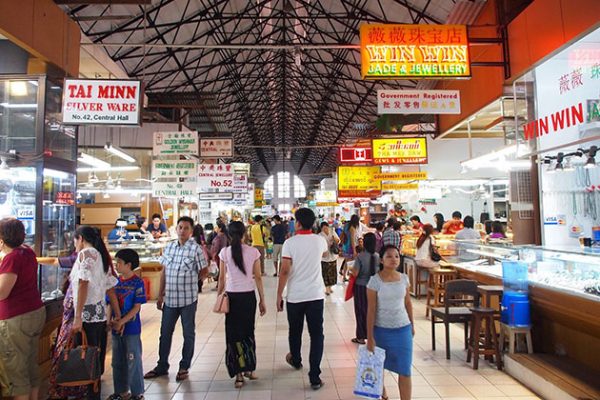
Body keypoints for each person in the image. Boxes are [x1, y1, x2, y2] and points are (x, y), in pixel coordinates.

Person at [48, 226, 120, 400]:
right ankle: (92, 394)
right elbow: (110, 288)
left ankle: (81, 393)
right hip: (98, 316)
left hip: (86, 317)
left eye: (74, 241)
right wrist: (116, 315)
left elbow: (83, 283)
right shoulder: (102, 255)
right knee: (92, 358)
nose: (74, 245)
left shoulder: (86, 254)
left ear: (80, 238)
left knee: (82, 359)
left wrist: (78, 316)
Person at [144, 216, 208, 382]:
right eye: (180, 227)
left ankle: (184, 366)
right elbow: (164, 271)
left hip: (188, 299)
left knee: (188, 334)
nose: (182, 230)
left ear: (191, 231)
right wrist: (160, 294)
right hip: (170, 299)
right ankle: (162, 366)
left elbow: (204, 271)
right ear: (176, 229)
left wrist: (194, 282)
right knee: (165, 333)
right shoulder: (170, 247)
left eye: (186, 228)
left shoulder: (196, 249)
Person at [277, 208, 328, 391]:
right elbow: (322, 254)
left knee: (295, 330)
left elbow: (284, 270)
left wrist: (279, 295)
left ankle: (296, 360)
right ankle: (314, 376)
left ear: (297, 223)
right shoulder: (320, 241)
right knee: (316, 334)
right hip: (315, 295)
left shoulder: (289, 243)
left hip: (295, 296)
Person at [0, 218, 46, 400]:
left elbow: (2, 292)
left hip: (15, 318)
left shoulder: (11, 259)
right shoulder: (27, 251)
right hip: (34, 312)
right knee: (30, 364)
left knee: (15, 370)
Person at [217, 221, 266, 389]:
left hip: (232, 298)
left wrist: (218, 297)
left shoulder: (224, 252)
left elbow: (222, 279)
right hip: (248, 298)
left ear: (229, 235)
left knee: (233, 335)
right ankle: (250, 369)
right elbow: (258, 277)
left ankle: (238, 374)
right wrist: (262, 300)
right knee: (248, 332)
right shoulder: (253, 252)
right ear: (245, 234)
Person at [367, 245, 414, 400]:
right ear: (381, 260)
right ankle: (383, 392)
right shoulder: (374, 281)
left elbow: (408, 303)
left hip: (403, 329)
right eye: (389, 256)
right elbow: (371, 310)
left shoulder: (404, 279)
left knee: (405, 368)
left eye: (396, 256)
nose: (394, 259)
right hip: (381, 331)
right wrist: (370, 336)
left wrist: (412, 324)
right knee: (378, 366)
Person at [106, 249, 146, 400]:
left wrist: (122, 321)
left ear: (129, 265)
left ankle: (137, 393)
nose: (116, 265)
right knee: (117, 361)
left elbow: (137, 307)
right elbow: (110, 302)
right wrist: (110, 321)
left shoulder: (137, 282)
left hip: (132, 329)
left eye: (119, 263)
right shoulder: (115, 282)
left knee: (133, 359)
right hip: (116, 329)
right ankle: (121, 391)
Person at [350, 232, 379, 345]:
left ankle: (361, 337)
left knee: (360, 311)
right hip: (374, 287)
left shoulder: (360, 256)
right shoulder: (377, 256)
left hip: (361, 287)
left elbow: (356, 272)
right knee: (372, 311)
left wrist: (350, 270)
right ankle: (372, 335)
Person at [319, 221, 339, 296]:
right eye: (324, 228)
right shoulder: (319, 235)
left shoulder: (332, 232)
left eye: (326, 227)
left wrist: (334, 240)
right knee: (325, 273)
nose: (326, 229)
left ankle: (330, 287)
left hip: (333, 256)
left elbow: (338, 241)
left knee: (333, 273)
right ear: (321, 228)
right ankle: (327, 288)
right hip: (324, 257)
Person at [340, 215, 360, 281]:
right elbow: (352, 240)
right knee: (351, 262)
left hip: (345, 245)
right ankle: (351, 277)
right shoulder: (352, 228)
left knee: (347, 261)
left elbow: (342, 234)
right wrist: (354, 250)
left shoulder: (346, 225)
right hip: (350, 247)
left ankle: (344, 276)